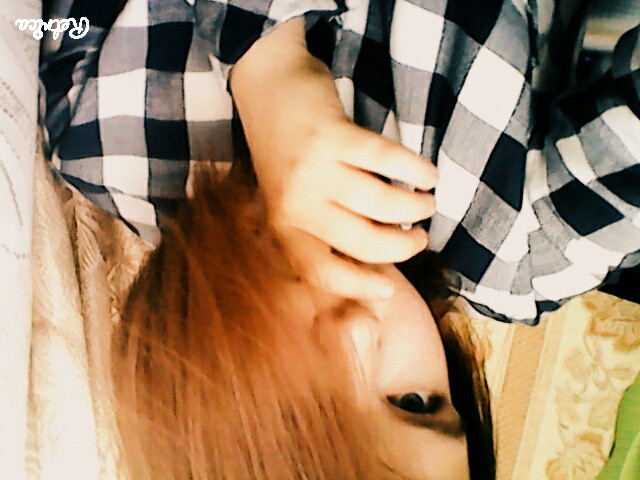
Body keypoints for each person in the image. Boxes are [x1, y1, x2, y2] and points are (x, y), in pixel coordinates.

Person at [40, 0, 640, 325]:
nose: (355, 332)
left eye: (302, 428)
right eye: (418, 403)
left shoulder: (103, 149)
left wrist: (265, 59)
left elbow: (30, 20)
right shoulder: (517, 250)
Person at [112, 166, 495, 479]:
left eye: (304, 419)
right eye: (415, 403)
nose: (355, 331)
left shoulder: (115, 153)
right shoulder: (507, 246)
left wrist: (266, 92)